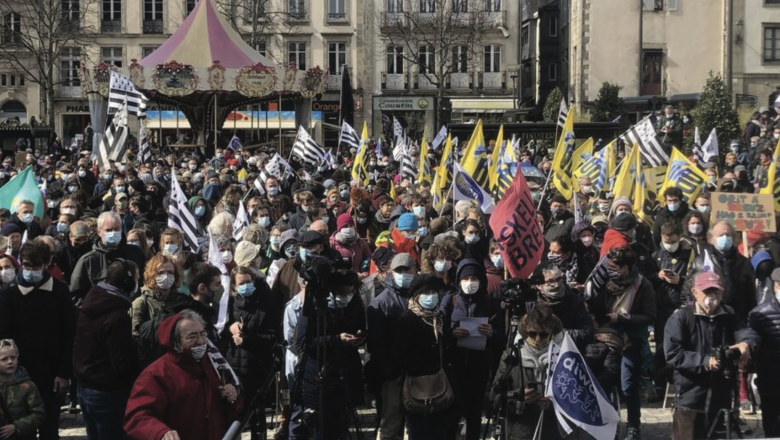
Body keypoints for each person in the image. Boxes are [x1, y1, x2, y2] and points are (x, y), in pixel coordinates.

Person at [665, 272, 758, 440]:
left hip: (720, 397)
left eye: (716, 292)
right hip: (690, 397)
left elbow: (746, 332)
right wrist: (706, 362)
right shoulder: (681, 317)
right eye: (707, 291)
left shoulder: (728, 315)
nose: (712, 297)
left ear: (723, 294)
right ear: (695, 293)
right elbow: (673, 353)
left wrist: (746, 343)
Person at [124, 311, 243, 440]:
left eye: (203, 334)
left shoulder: (213, 365)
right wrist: (160, 432)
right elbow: (137, 417)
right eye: (192, 336)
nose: (200, 341)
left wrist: (232, 399)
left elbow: (226, 411)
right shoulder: (156, 374)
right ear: (175, 341)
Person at [0, 240, 76, 440]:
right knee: (21, 430)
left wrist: (63, 373)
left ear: (46, 264)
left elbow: (69, 334)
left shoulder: (60, 291)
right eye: (26, 266)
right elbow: (4, 335)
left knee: (49, 429)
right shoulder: (9, 293)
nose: (30, 271)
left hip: (51, 376)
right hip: (18, 376)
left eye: (36, 266)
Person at [588, 246, 656, 440]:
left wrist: (623, 318)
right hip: (604, 339)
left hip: (630, 340)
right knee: (602, 382)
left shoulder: (643, 285)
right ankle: (608, 425)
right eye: (608, 267)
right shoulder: (603, 282)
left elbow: (650, 316)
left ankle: (633, 426)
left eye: (613, 268)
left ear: (625, 268)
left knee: (627, 386)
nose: (609, 270)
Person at [290, 270, 366, 440]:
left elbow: (361, 324)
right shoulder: (315, 306)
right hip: (321, 377)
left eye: (350, 292)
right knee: (324, 429)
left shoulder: (354, 301)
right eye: (343, 293)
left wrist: (361, 336)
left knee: (342, 426)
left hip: (346, 373)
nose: (347, 297)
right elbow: (304, 342)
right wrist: (337, 339)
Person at [72, 260, 140, 440]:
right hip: (107, 392)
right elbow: (121, 362)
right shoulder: (118, 315)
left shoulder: (93, 300)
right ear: (127, 281)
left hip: (85, 386)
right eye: (136, 278)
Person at [441, 259, 502, 440]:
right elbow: (439, 329)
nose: (470, 283)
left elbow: (501, 334)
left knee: (474, 413)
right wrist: (452, 333)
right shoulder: (450, 300)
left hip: (479, 366)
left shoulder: (490, 302)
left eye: (474, 279)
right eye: (466, 279)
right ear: (459, 280)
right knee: (452, 412)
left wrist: (491, 332)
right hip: (454, 365)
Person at [392, 274, 455, 440]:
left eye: (434, 293)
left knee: (440, 430)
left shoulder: (438, 317)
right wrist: (421, 369)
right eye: (426, 294)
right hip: (417, 385)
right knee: (420, 430)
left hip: (440, 382)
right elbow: (401, 353)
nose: (431, 297)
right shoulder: (407, 319)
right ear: (416, 297)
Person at [488, 304, 564, 440]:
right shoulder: (511, 356)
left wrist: (555, 401)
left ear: (552, 333)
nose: (538, 339)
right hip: (519, 432)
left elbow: (578, 397)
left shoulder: (565, 358)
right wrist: (519, 397)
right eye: (532, 334)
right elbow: (494, 397)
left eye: (544, 334)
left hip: (553, 432)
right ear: (525, 332)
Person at [223, 266, 279, 440]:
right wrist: (230, 328)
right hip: (235, 365)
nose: (246, 286)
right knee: (235, 411)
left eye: (249, 282)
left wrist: (247, 340)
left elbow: (273, 336)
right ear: (234, 286)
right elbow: (219, 329)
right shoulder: (229, 303)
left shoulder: (267, 303)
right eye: (241, 283)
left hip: (258, 366)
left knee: (256, 412)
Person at [367, 253, 417, 440]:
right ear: (391, 272)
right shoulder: (381, 302)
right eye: (399, 270)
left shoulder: (420, 296)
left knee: (414, 423)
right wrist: (388, 370)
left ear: (415, 270)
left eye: (407, 270)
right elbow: (376, 342)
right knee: (390, 421)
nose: (404, 274)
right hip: (392, 375)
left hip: (417, 371)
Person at [70, 212, 146, 302]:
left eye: (116, 229)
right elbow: (76, 296)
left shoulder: (136, 253)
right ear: (99, 232)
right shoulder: (88, 261)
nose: (113, 233)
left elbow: (145, 283)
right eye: (108, 230)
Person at [692, 221, 756, 321]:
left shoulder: (744, 263)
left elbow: (751, 295)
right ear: (711, 239)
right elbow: (690, 291)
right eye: (721, 235)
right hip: (711, 318)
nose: (725, 238)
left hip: (738, 317)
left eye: (728, 235)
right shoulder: (701, 262)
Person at [749, 268, 780, 437]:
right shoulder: (759, 314)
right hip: (771, 382)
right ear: (776, 286)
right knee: (773, 430)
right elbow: (754, 348)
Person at [535, 263, 594, 346]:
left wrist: (560, 335)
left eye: (559, 279)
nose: (556, 284)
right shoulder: (531, 304)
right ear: (539, 285)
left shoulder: (575, 301)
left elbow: (587, 333)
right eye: (550, 281)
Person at [0, 339, 46, 440]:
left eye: (13, 357)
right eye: (4, 359)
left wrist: (16, 427)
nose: (10, 361)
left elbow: (39, 414)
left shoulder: (28, 386)